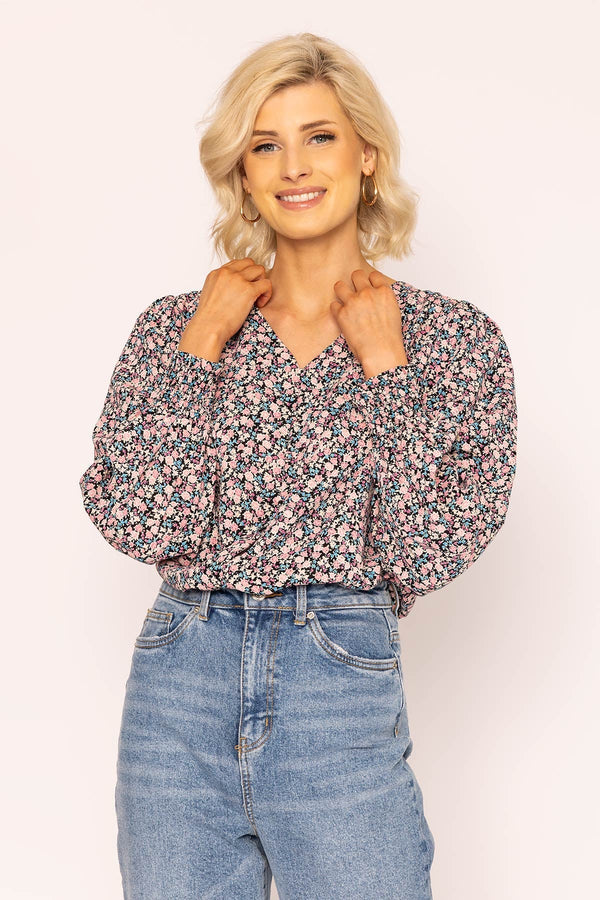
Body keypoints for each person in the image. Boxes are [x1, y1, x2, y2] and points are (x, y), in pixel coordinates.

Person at [79, 32, 518, 900]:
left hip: (338, 688)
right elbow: (139, 520)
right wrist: (201, 344)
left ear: (367, 154)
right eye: (264, 145)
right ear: (242, 173)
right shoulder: (175, 327)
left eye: (319, 136)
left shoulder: (454, 339)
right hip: (180, 684)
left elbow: (427, 549)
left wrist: (387, 367)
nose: (293, 167)